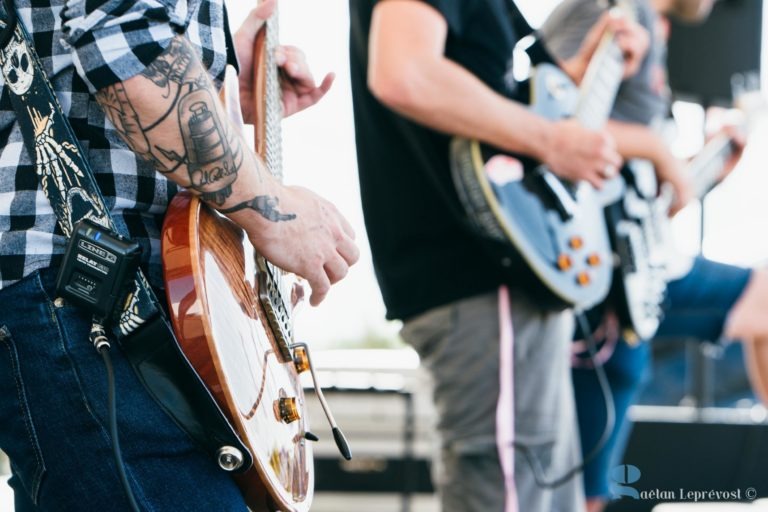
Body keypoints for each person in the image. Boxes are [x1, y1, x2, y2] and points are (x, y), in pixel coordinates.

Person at [0, 0, 359, 510]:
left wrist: (213, 81)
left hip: (106, 292)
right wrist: (274, 210)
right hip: (88, 288)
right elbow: (128, 43)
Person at [349, 1, 649, 510]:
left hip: (504, 287)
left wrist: (592, 68)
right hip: (480, 280)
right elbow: (404, 72)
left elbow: (493, 102)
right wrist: (553, 140)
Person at [540, 1, 768, 510]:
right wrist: (658, 149)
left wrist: (697, 169)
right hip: (587, 268)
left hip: (634, 267)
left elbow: (638, 190)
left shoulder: (652, 27)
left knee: (588, 493)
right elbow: (541, 113)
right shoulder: (607, 8)